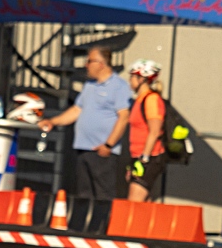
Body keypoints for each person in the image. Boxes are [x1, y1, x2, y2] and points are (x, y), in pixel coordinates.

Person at [38, 46, 132, 201]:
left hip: (102, 152)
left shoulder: (119, 86)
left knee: (103, 196)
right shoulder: (89, 86)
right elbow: (76, 110)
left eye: (89, 61)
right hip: (83, 149)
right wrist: (53, 122)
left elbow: (123, 117)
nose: (86, 65)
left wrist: (108, 145)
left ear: (101, 64)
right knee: (83, 195)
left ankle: (102, 218)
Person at [122, 60, 170, 203]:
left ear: (141, 79)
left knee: (134, 202)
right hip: (138, 157)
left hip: (149, 157)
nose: (130, 80)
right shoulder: (139, 100)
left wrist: (144, 160)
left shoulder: (152, 99)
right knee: (144, 203)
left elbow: (154, 131)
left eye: (132, 76)